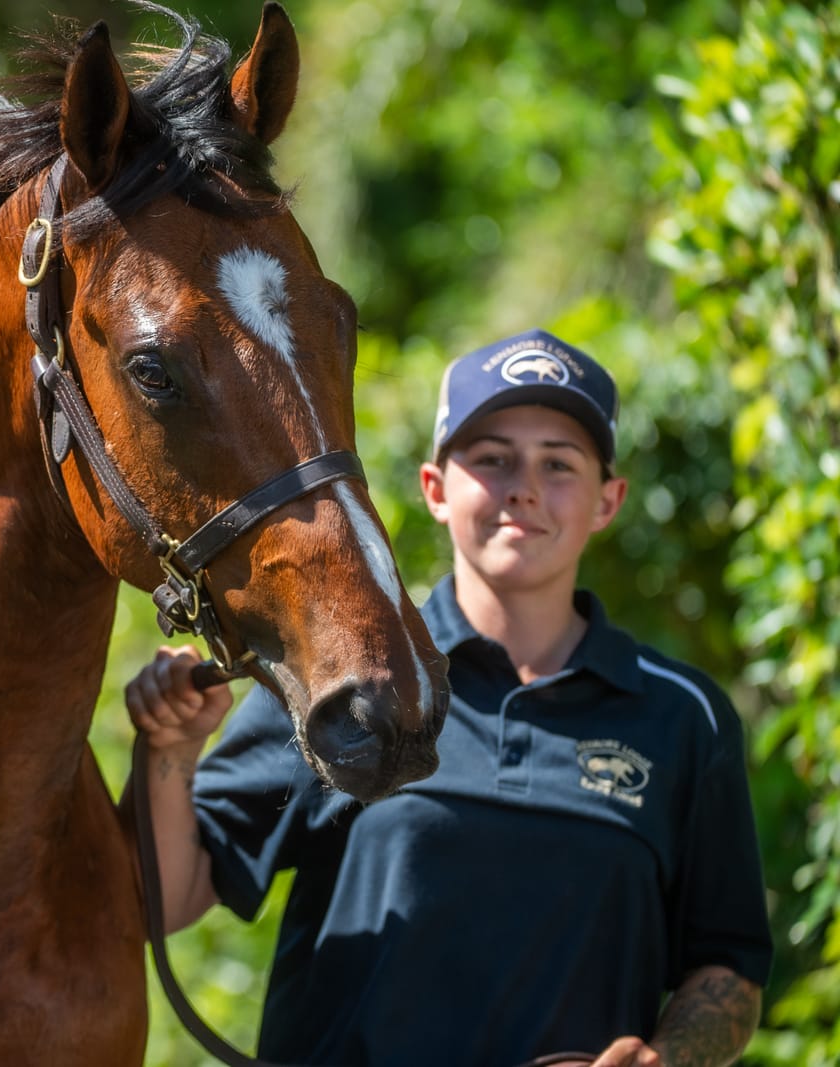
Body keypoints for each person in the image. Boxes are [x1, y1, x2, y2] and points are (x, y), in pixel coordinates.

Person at [125, 329, 771, 1067]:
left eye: (558, 463)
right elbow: (169, 898)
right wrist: (171, 750)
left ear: (607, 500)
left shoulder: (683, 715)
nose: (523, 486)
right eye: (492, 458)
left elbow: (728, 968)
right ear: (435, 488)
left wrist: (667, 1060)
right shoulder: (344, 675)